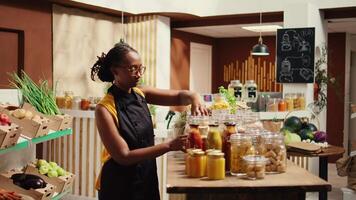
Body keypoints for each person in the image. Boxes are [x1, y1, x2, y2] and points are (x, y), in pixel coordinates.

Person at [91, 41, 208, 200]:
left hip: (146, 176)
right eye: (132, 69)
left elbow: (181, 96)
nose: (138, 74)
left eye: (140, 68)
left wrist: (195, 97)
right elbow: (123, 156)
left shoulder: (140, 93)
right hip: (119, 184)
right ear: (115, 71)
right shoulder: (104, 109)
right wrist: (168, 145)